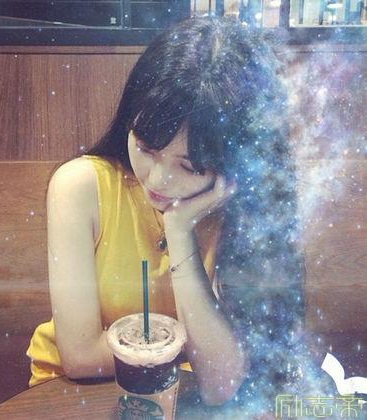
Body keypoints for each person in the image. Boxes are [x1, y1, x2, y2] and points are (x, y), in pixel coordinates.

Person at [26, 16, 313, 415]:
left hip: (186, 399)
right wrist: (195, 348)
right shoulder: (81, 187)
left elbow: (220, 384)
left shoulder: (246, 215)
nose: (158, 180)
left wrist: (179, 233)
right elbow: (79, 356)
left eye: (190, 166)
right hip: (74, 395)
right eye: (146, 146)